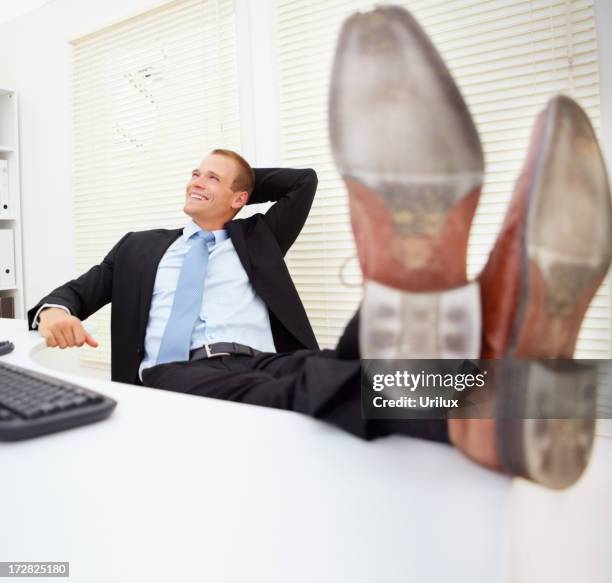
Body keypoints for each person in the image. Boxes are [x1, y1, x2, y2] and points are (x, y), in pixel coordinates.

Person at [29, 6, 612, 490]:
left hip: (270, 357)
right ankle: (444, 310)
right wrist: (54, 311)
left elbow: (302, 180)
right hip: (175, 375)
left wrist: (244, 177)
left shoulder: (255, 235)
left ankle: (500, 383)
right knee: (317, 384)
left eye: (211, 177)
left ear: (240, 199)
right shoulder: (139, 247)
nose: (195, 181)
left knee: (348, 368)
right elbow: (76, 293)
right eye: (193, 172)